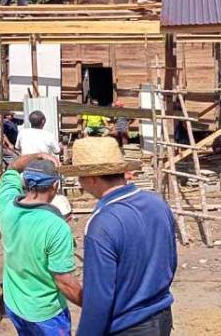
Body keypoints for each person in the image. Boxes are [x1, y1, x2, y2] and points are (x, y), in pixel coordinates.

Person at [61, 137, 176, 335]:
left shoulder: (102, 223)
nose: (79, 184)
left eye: (79, 176)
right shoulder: (157, 203)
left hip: (128, 325)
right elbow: (170, 262)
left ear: (92, 178)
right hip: (161, 315)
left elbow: (99, 297)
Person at [0, 153, 82, 335]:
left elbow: (12, 168)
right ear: (55, 185)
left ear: (25, 183)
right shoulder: (56, 227)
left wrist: (38, 156)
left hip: (14, 302)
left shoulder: (6, 204)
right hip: (45, 313)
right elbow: (64, 282)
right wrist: (95, 306)